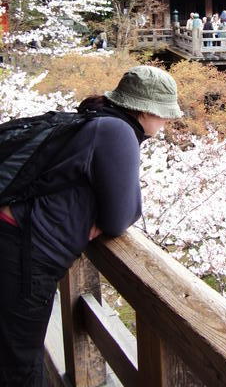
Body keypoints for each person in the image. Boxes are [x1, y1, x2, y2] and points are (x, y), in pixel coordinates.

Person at [0, 65, 182, 386]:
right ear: (143, 109)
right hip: (23, 253)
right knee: (19, 364)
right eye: (163, 113)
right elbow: (120, 217)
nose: (167, 121)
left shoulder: (95, 121)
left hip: (14, 240)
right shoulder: (118, 133)